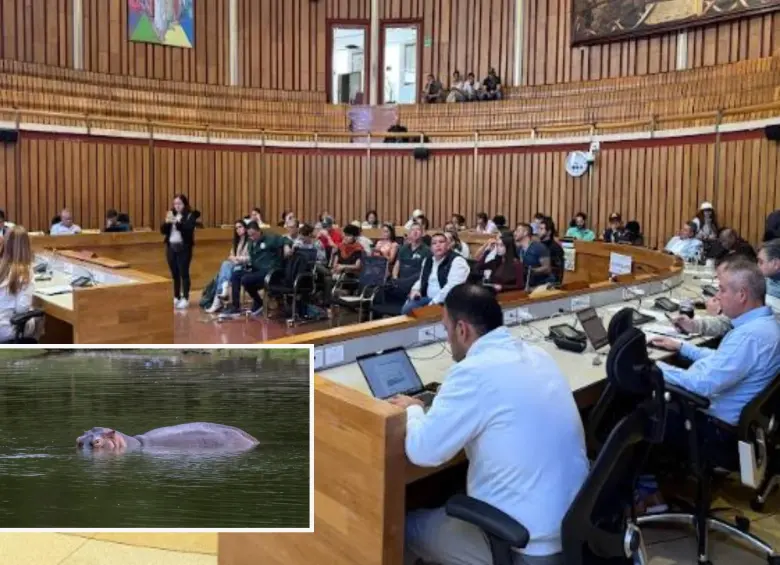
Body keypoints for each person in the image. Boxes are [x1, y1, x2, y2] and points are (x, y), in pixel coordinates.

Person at [392, 284, 588, 565]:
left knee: (405, 527)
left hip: (522, 542)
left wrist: (414, 409)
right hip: (573, 525)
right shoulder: (538, 355)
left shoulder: (472, 372)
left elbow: (424, 451)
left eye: (446, 329)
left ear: (462, 330)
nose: (448, 339)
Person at [650, 259, 780, 426]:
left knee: (637, 405)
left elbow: (701, 384)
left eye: (722, 290)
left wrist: (652, 365)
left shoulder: (748, 337)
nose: (717, 296)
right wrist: (682, 347)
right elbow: (724, 359)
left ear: (741, 295)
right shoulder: (766, 326)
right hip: (733, 418)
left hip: (710, 425)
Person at [675, 242, 780, 337]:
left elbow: (740, 326)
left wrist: (719, 312)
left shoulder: (771, 299)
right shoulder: (768, 283)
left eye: (760, 262)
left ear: (776, 264)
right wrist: (693, 325)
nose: (757, 266)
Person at [223, 222, 290, 317]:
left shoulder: (270, 238)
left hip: (270, 271)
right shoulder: (251, 242)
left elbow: (285, 239)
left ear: (259, 231)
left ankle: (258, 302)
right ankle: (236, 307)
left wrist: (286, 246)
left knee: (246, 279)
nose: (252, 237)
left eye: (254, 234)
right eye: (250, 235)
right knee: (236, 274)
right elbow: (251, 258)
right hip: (256, 270)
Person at [402, 233, 469, 315]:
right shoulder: (428, 260)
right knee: (407, 308)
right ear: (430, 248)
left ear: (448, 246)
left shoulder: (457, 261)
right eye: (434, 243)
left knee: (415, 312)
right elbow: (422, 279)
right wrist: (415, 289)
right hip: (428, 298)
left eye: (441, 242)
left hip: (447, 303)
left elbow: (451, 288)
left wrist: (432, 304)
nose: (438, 245)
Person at [0, 226, 39, 342]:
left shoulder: (2, 267)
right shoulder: (25, 271)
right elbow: (22, 309)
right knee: (39, 317)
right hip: (7, 329)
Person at [161, 194, 199, 309]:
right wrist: (167, 222)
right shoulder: (171, 214)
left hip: (184, 248)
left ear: (184, 204)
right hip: (171, 246)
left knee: (184, 272)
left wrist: (176, 223)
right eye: (175, 204)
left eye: (179, 204)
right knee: (174, 273)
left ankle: (186, 297)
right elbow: (163, 231)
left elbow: (187, 230)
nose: (177, 206)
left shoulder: (189, 215)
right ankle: (176, 296)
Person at [205, 221, 250, 314]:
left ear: (245, 228)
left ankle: (217, 301)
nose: (238, 230)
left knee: (225, 267)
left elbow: (249, 258)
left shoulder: (250, 241)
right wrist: (235, 259)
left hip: (244, 266)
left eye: (240, 227)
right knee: (223, 269)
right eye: (236, 228)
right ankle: (222, 291)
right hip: (235, 264)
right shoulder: (236, 241)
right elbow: (230, 255)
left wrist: (237, 259)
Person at [515, 223, 553, 288]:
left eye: (518, 231)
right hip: (528, 284)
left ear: (525, 233)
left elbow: (547, 269)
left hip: (542, 285)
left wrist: (530, 271)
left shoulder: (539, 247)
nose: (515, 233)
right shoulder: (519, 249)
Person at [538, 217, 564, 283]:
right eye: (538, 228)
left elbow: (558, 270)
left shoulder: (556, 248)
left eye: (541, 229)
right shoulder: (537, 245)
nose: (538, 231)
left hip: (549, 282)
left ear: (549, 232)